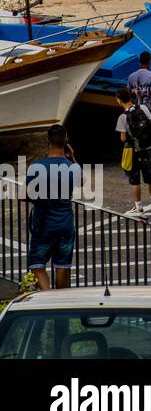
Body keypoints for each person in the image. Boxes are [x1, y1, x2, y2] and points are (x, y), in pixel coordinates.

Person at [25, 125, 81, 291]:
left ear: (47, 141)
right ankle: (59, 303)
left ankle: (47, 296)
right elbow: (82, 181)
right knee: (62, 266)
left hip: (43, 224)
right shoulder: (72, 167)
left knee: (36, 264)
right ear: (66, 142)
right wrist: (72, 158)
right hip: (65, 224)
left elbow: (23, 196)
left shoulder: (37, 167)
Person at [115, 88, 151, 216]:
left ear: (119, 100)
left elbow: (123, 138)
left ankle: (139, 207)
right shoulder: (143, 108)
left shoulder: (122, 117)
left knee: (135, 180)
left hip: (133, 150)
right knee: (150, 177)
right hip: (147, 148)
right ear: (130, 96)